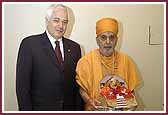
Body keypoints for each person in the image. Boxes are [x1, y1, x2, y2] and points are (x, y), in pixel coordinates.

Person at [16, 4, 83, 111]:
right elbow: (22, 88)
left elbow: (77, 86)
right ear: (47, 21)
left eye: (64, 22)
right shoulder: (29, 45)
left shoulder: (75, 48)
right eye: (56, 20)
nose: (61, 26)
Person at [76, 18, 140, 110]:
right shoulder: (85, 61)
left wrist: (131, 102)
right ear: (97, 40)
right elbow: (82, 90)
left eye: (111, 37)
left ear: (116, 40)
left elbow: (131, 90)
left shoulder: (126, 60)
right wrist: (89, 101)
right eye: (103, 37)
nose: (108, 42)